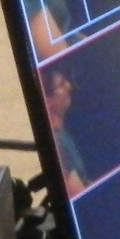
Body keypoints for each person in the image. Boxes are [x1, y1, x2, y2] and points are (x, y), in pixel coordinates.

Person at [42, 67, 89, 196]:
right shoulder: (58, 143)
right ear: (47, 101)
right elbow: (79, 195)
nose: (69, 86)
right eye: (61, 84)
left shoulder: (63, 135)